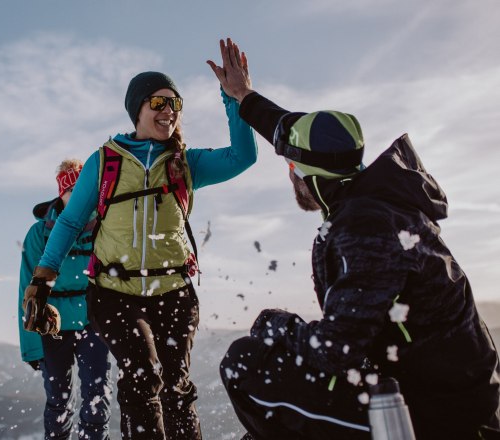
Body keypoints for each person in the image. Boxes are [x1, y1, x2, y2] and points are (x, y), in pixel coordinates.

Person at [210, 38, 500, 439]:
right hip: (428, 381)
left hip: (437, 413)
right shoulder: (373, 196)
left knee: (246, 361)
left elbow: (337, 350)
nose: (288, 172)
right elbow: (288, 131)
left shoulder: (367, 229)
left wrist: (278, 325)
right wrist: (243, 96)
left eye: (292, 165)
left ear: (311, 177)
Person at [21, 61, 259, 438]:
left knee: (176, 388)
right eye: (158, 102)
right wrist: (42, 279)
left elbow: (243, 157)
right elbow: (68, 222)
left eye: (175, 104)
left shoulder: (185, 162)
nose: (168, 111)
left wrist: (235, 100)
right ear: (137, 108)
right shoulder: (104, 162)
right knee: (142, 379)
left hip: (173, 293)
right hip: (116, 294)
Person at [17, 158, 112, 440]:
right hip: (51, 328)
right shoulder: (40, 234)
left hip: (92, 322)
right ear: (61, 193)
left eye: (81, 189)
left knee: (97, 397)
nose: (76, 196)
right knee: (58, 400)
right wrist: (32, 347)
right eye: (70, 190)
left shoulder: (104, 228)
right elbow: (28, 290)